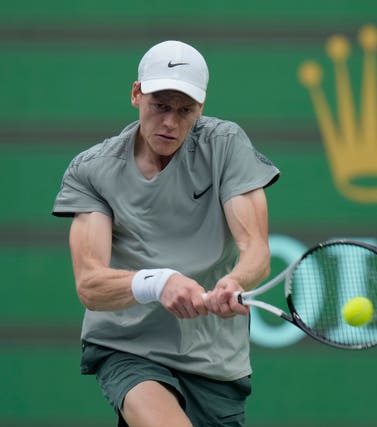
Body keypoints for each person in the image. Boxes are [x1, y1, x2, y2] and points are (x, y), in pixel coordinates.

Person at [51, 40, 280, 427]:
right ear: (136, 94)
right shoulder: (92, 171)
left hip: (216, 362)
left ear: (201, 108)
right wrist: (159, 282)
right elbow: (90, 284)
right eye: (160, 105)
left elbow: (256, 249)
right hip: (128, 349)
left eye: (184, 109)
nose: (171, 122)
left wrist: (234, 281)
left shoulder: (226, 145)